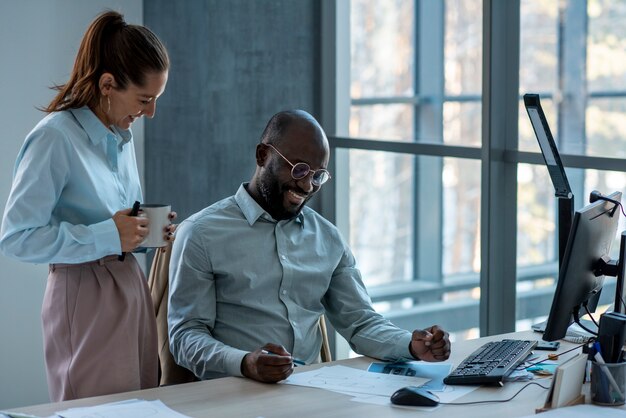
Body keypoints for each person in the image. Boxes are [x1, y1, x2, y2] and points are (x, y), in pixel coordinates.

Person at [168, 109, 451, 383]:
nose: (307, 185)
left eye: (318, 175)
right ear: (263, 155)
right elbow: (185, 336)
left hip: (310, 392)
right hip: (231, 394)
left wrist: (412, 347)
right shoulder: (201, 233)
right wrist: (244, 363)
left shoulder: (327, 238)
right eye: (299, 169)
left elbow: (361, 323)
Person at [0, 11, 173, 401]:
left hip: (131, 289)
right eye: (145, 99)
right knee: (95, 411)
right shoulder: (54, 139)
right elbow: (16, 238)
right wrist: (111, 234)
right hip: (84, 297)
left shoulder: (119, 134)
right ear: (108, 84)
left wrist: (143, 230)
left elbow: (115, 221)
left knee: (142, 406)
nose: (150, 113)